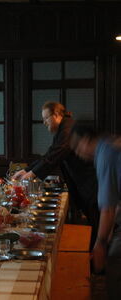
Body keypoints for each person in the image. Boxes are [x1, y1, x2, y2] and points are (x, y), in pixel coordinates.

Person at [12, 102, 99, 246]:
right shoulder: (63, 128)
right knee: (94, 224)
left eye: (46, 118)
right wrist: (27, 170)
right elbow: (49, 153)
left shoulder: (67, 129)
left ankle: (97, 263)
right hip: (85, 184)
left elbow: (55, 156)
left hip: (90, 184)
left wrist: (31, 174)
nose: (44, 122)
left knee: (96, 226)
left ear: (57, 115)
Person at [70, 125, 121, 300]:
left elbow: (107, 208)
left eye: (77, 148)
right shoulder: (110, 143)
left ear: (86, 140)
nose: (77, 153)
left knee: (115, 262)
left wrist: (100, 244)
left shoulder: (105, 155)